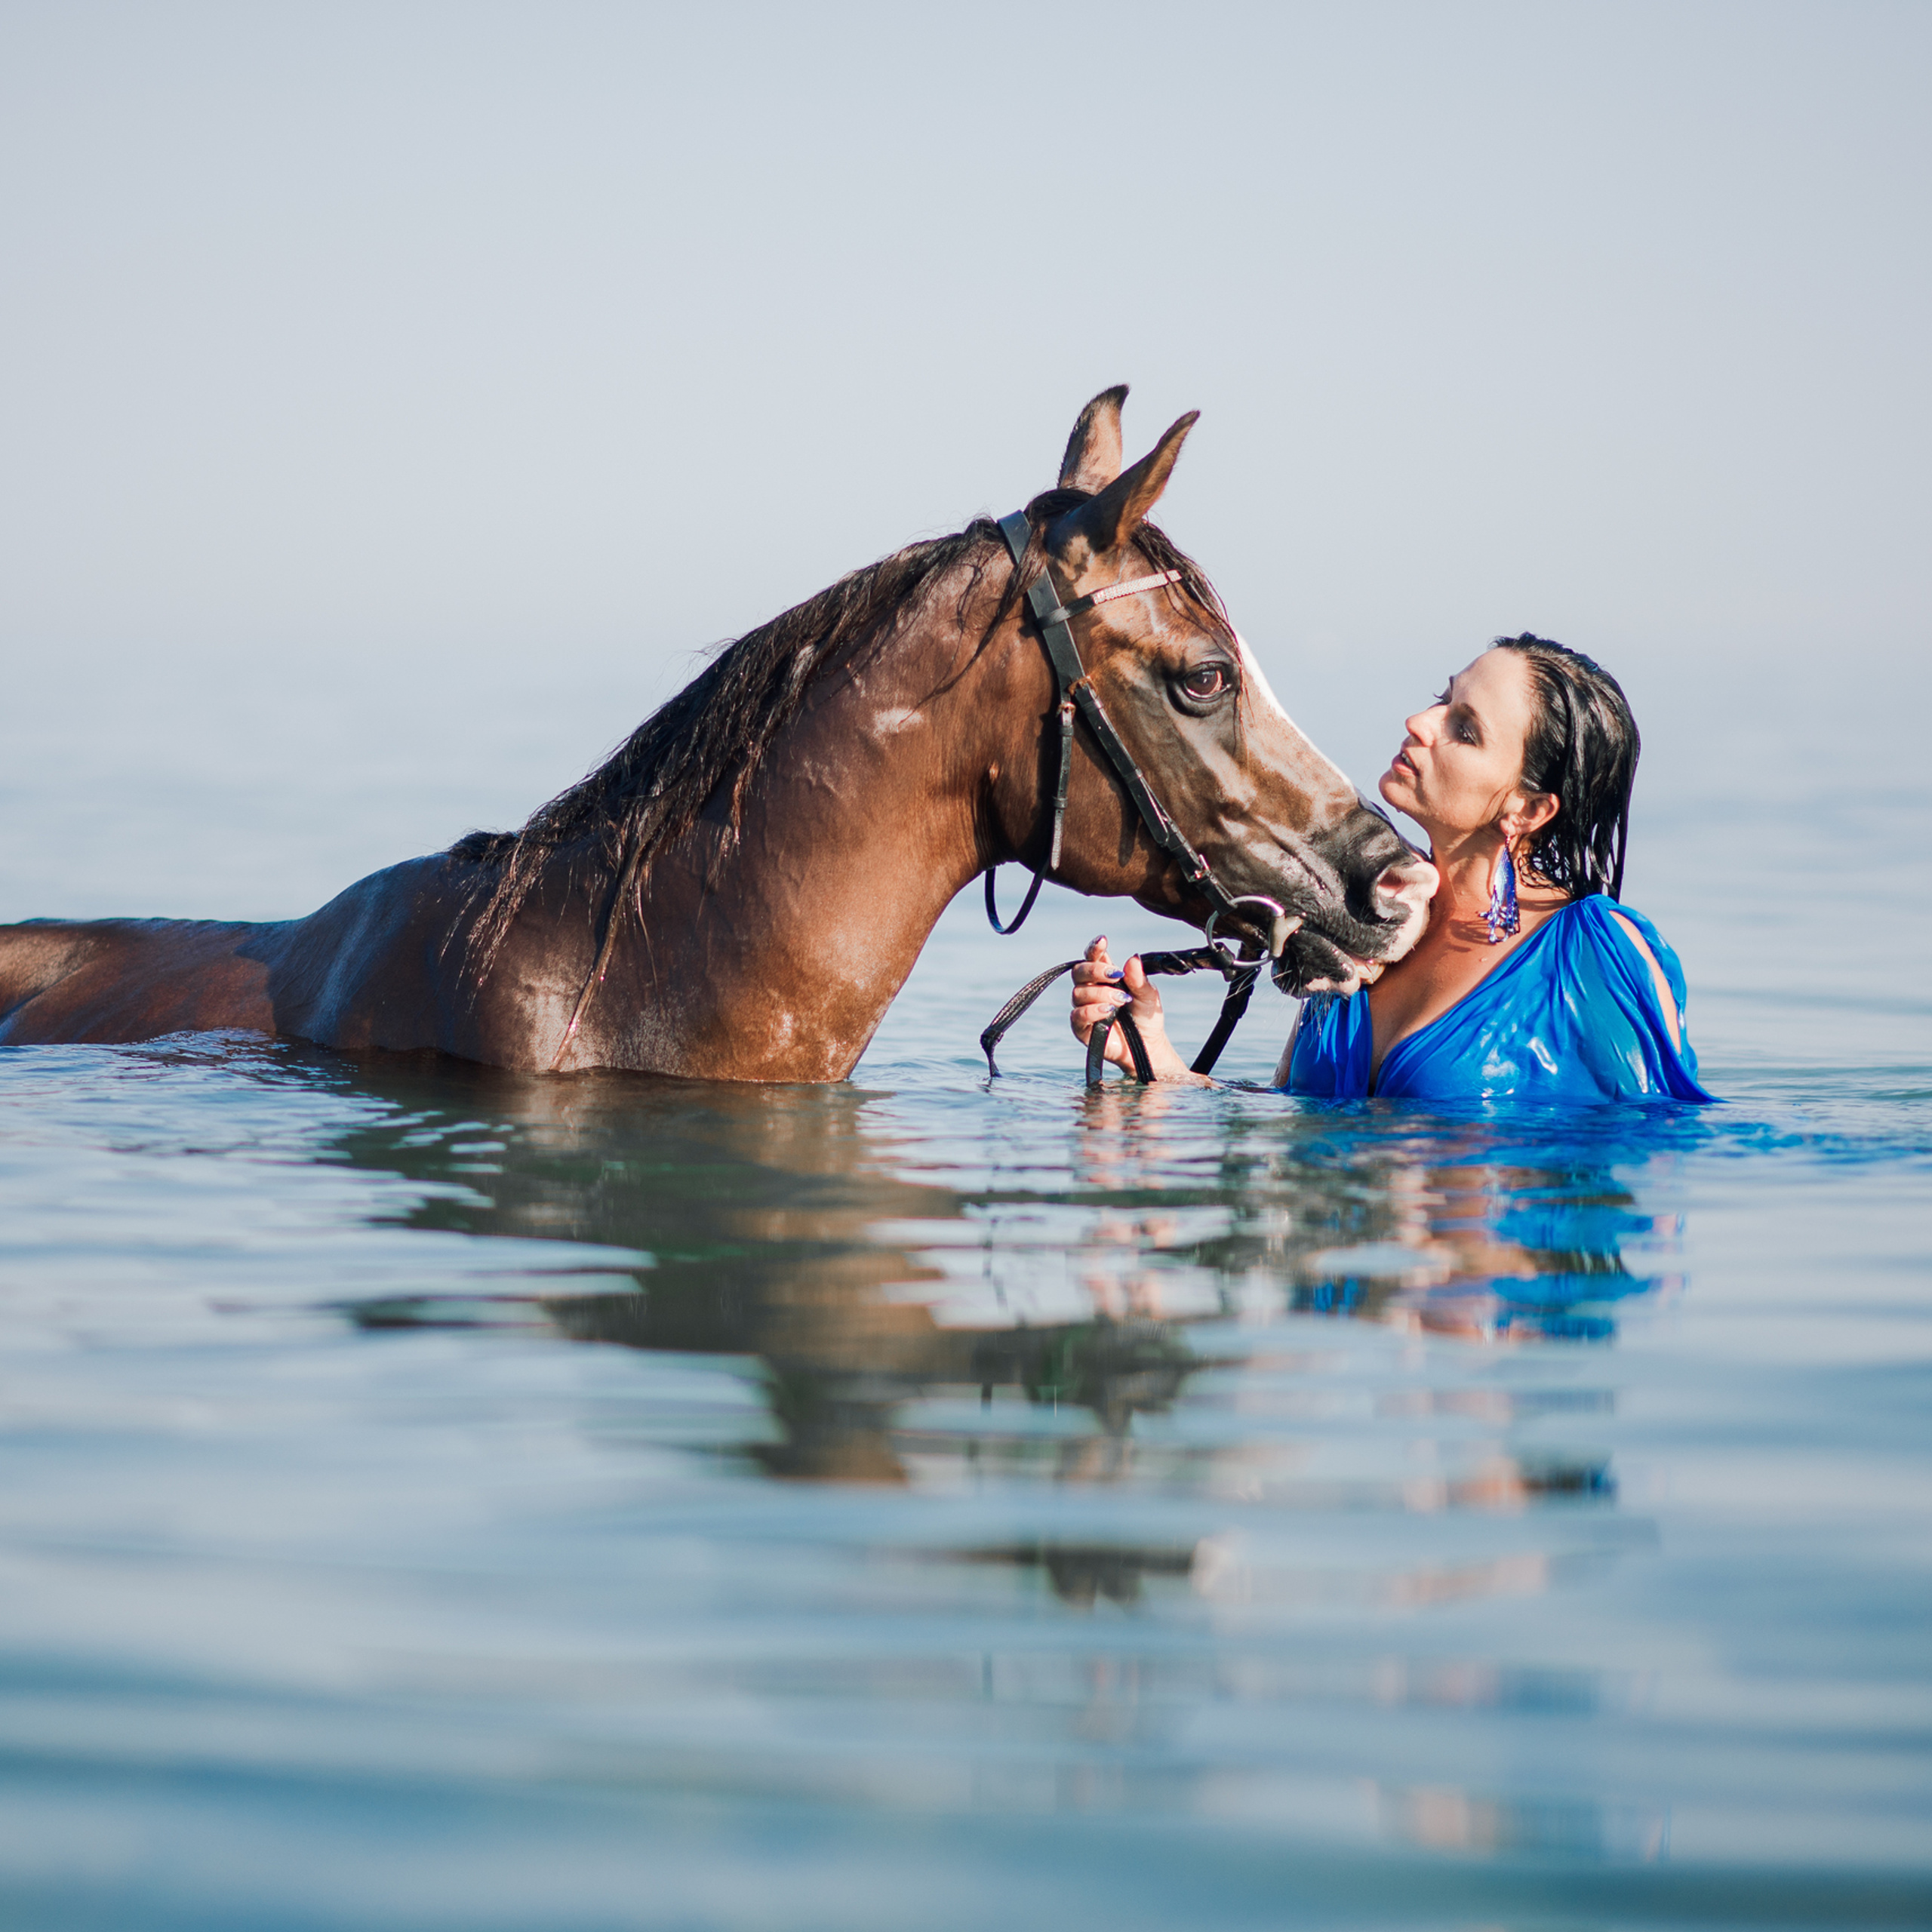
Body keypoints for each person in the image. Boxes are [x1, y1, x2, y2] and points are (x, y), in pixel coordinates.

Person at [1072, 635, 1711, 1102]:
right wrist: (1156, 1058)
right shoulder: (1361, 920)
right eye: (1442, 700)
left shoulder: (1596, 954)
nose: (1420, 723)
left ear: (1528, 806)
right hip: (1334, 1279)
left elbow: (1662, 1144)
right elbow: (1291, 1111)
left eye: (1464, 730)